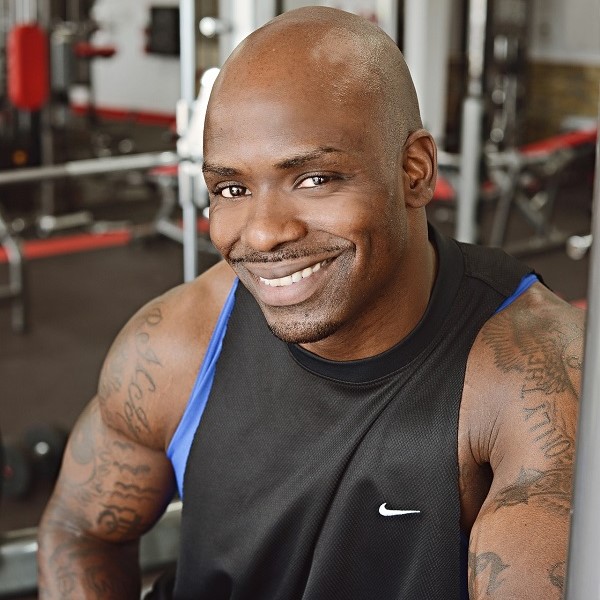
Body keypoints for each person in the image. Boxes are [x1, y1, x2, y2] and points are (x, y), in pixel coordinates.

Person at [37, 6, 584, 599]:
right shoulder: (176, 345)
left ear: (415, 170)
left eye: (314, 179)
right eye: (233, 189)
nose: (264, 232)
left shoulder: (535, 383)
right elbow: (78, 530)